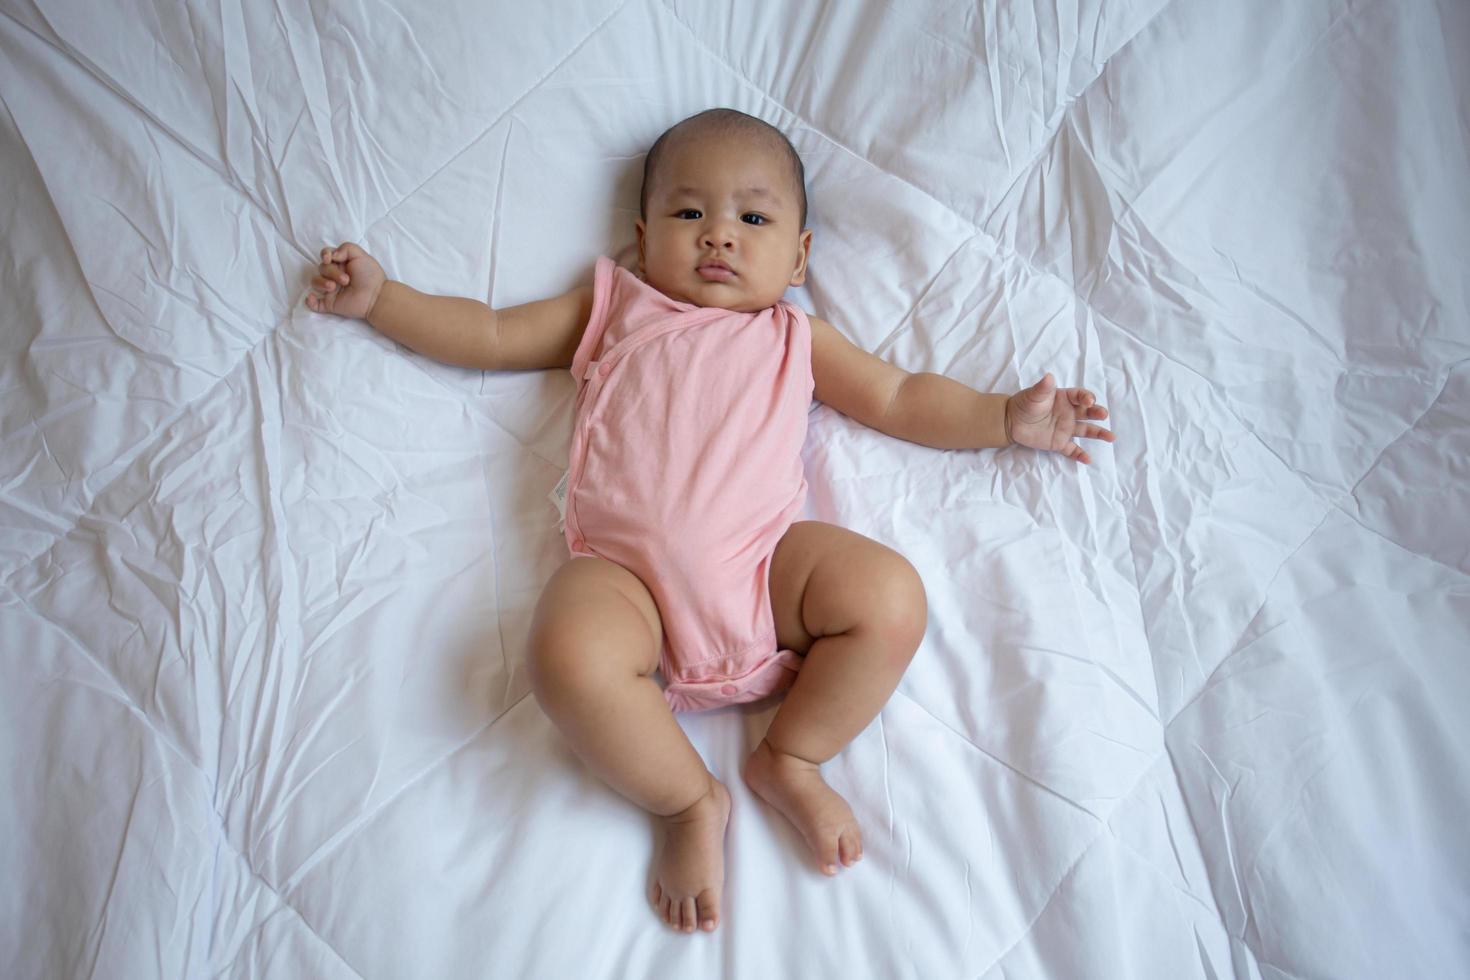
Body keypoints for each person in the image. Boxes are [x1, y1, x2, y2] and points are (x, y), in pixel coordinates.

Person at [304, 108, 1113, 936]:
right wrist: (385, 301)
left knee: (891, 596)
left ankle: (792, 757)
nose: (719, 236)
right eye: (690, 214)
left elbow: (902, 397)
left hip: (768, 571)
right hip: (628, 587)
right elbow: (490, 331)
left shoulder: (796, 335)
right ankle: (689, 801)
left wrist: (1004, 417)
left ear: (798, 256)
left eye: (752, 219)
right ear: (643, 235)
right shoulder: (613, 309)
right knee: (564, 653)